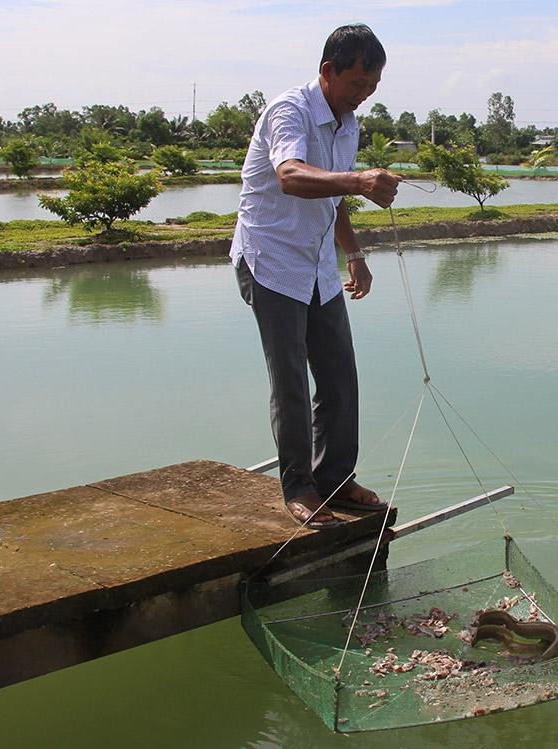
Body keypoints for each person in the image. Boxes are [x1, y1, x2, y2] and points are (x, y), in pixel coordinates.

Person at [230, 24, 401, 529]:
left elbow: (335, 196)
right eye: (357, 84)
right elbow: (291, 175)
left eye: (372, 87)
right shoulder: (290, 111)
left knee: (339, 375)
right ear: (328, 71)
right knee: (290, 381)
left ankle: (335, 479)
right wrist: (360, 179)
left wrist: (354, 254)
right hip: (271, 261)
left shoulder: (348, 124)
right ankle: (299, 488)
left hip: (318, 266)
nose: (363, 95)